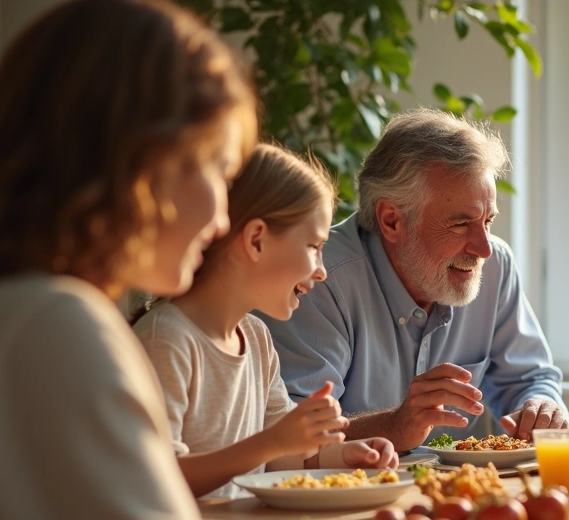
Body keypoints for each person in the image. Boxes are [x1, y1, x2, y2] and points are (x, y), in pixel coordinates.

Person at [0, 2, 510, 520]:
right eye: (213, 168)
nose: (222, 216)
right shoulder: (54, 329)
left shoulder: (12, 312)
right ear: (136, 162)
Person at [263, 109, 568, 449]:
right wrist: (395, 425)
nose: (483, 249)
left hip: (459, 493)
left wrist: (541, 405)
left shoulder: (496, 267)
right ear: (392, 221)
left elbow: (529, 379)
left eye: (488, 222)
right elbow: (290, 435)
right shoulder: (318, 278)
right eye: (460, 224)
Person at [133, 144, 399, 499]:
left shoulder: (256, 338)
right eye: (313, 246)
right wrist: (270, 443)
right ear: (257, 240)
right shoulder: (166, 340)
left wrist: (346, 455)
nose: (321, 271)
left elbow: (282, 458)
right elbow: (157, 478)